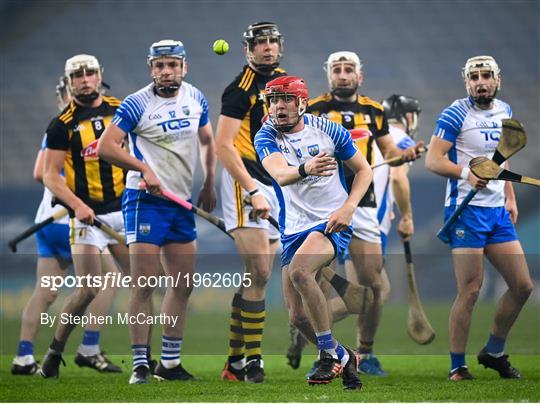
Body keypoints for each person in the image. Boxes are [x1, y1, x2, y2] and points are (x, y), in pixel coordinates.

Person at [97, 39, 217, 385]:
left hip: (179, 202)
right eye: (160, 65)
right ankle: (139, 365)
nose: (167, 71)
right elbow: (106, 147)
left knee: (183, 286)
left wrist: (209, 181)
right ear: (151, 69)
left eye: (173, 65)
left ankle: (169, 364)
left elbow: (207, 140)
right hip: (144, 201)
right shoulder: (137, 103)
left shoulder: (196, 98)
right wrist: (143, 169)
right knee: (145, 284)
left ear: (184, 67)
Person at [301, 52, 423, 376]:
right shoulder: (314, 109)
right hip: (324, 199)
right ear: (329, 75)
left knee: (371, 285)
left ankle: (364, 353)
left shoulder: (373, 110)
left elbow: (391, 156)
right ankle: (326, 353)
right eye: (337, 70)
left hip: (362, 203)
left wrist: (404, 155)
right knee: (317, 279)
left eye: (348, 70)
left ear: (360, 75)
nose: (343, 75)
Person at [254, 75, 371, 389]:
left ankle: (327, 357)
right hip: (294, 228)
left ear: (301, 103)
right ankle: (345, 356)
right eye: (274, 100)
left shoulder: (329, 130)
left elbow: (364, 171)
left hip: (331, 222)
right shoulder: (265, 135)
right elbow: (280, 174)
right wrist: (307, 168)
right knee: (297, 317)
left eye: (286, 99)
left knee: (301, 273)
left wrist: (348, 208)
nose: (279, 106)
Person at [425, 55, 533, 381]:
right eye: (474, 77)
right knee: (471, 290)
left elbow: (504, 158)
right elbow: (433, 160)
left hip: (497, 212)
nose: (480, 82)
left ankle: (493, 351)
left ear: (498, 79)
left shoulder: (505, 111)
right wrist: (466, 175)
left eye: (486, 76)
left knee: (522, 286)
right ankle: (458, 366)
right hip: (466, 211)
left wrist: (510, 197)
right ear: (466, 82)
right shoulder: (455, 113)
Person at [11, 76, 121, 376]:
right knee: (108, 280)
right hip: (68, 218)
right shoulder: (66, 128)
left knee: (44, 292)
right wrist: (74, 192)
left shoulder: (63, 128)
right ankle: (89, 347)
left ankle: (23, 357)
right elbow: (41, 173)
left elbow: (40, 173)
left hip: (46, 220)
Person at [40, 55, 130, 379]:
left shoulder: (121, 109)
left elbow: (137, 149)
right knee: (89, 289)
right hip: (87, 219)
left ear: (99, 76)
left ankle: (147, 362)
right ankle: (55, 350)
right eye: (77, 75)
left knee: (144, 281)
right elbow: (50, 176)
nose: (85, 79)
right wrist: (76, 204)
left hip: (123, 212)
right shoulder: (61, 124)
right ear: (70, 82)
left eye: (90, 73)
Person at [215, 21, 286, 383]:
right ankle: (254, 360)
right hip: (246, 182)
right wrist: (253, 190)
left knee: (254, 276)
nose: (268, 48)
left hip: (278, 183)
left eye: (273, 41)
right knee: (260, 272)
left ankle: (234, 361)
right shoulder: (239, 90)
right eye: (261, 43)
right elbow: (223, 146)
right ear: (248, 49)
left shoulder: (287, 84)